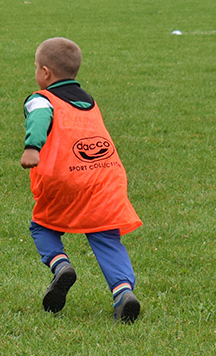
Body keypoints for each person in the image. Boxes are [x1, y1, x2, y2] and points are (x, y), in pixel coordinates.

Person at [21, 37, 143, 322]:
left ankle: (60, 264)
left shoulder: (41, 99)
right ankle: (123, 292)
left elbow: (39, 118)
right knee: (106, 237)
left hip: (66, 179)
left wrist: (32, 146)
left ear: (45, 73)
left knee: (42, 226)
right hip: (106, 178)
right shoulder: (90, 100)